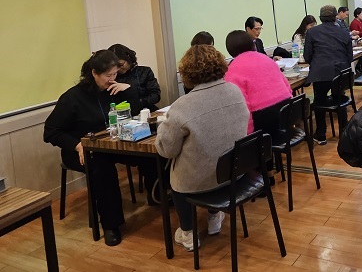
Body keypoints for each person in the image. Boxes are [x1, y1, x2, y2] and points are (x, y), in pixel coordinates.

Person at [44, 50, 157, 246]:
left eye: (115, 74)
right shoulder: (73, 97)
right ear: (94, 73)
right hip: (82, 149)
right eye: (108, 75)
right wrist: (77, 145)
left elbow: (135, 111)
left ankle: (157, 195)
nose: (112, 79)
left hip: (112, 144)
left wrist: (128, 89)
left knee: (150, 153)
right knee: (102, 169)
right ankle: (111, 225)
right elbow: (51, 132)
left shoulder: (112, 90)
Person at [156, 45, 249, 252]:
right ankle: (214, 218)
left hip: (199, 181)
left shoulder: (182, 106)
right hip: (234, 172)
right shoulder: (234, 91)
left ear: (187, 73)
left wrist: (162, 126)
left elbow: (166, 150)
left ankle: (188, 233)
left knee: (177, 177)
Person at [224, 30, 292, 135]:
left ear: (230, 49)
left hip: (263, 119)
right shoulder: (266, 59)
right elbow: (287, 86)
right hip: (287, 110)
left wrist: (249, 133)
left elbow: (242, 106)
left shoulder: (232, 70)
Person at [304, 5, 353, 145]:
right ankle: (344, 129)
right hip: (341, 73)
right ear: (335, 17)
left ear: (320, 18)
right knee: (339, 98)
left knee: (319, 100)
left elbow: (307, 56)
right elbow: (350, 56)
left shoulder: (312, 32)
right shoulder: (344, 32)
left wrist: (317, 62)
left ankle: (321, 134)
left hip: (321, 73)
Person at [108, 44, 161, 112]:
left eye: (121, 65)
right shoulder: (111, 78)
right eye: (115, 67)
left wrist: (130, 89)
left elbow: (156, 96)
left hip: (146, 111)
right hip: (122, 114)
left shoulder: (144, 72)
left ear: (128, 58)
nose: (118, 69)